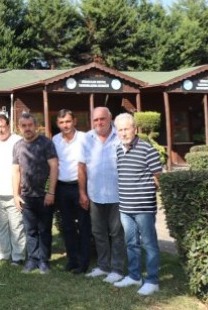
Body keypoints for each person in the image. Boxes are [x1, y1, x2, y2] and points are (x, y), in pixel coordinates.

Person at [112, 113, 163, 295]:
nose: (123, 133)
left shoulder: (148, 150)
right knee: (131, 244)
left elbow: (158, 177)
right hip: (125, 208)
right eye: (120, 130)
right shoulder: (118, 150)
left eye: (126, 129)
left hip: (143, 208)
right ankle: (134, 277)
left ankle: (152, 280)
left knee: (149, 245)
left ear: (134, 129)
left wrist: (147, 193)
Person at [79, 107, 126, 284]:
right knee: (98, 232)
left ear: (110, 118)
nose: (99, 122)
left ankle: (117, 269)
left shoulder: (120, 136)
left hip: (118, 195)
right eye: (96, 119)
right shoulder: (86, 139)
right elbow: (81, 167)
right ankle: (103, 266)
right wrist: (82, 193)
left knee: (117, 233)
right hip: (95, 194)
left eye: (102, 119)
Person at [12, 113, 59, 274]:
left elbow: (54, 167)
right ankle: (32, 260)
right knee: (30, 230)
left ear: (36, 126)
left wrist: (51, 192)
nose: (27, 128)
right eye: (24, 126)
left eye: (30, 125)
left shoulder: (46, 143)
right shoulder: (18, 146)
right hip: (26, 197)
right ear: (19, 128)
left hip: (44, 195)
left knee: (44, 230)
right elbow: (15, 171)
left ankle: (44, 261)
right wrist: (15, 195)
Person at [52, 109, 90, 274]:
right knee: (67, 226)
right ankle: (72, 260)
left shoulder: (85, 138)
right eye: (61, 122)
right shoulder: (55, 140)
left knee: (84, 225)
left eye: (68, 121)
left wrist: (83, 192)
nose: (65, 125)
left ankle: (84, 262)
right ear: (57, 124)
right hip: (62, 187)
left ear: (74, 121)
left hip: (80, 186)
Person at [0, 114, 25, 266]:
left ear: (8, 126)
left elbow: (23, 168)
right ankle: (4, 254)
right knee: (1, 227)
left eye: (2, 126)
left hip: (13, 193)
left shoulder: (18, 141)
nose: (0, 130)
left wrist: (19, 191)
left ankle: (18, 256)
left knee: (16, 227)